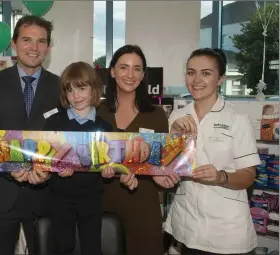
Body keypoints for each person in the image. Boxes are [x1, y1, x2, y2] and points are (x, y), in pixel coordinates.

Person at [0, 15, 60, 255]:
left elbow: (65, 142)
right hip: (0, 193)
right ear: (14, 43)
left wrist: (43, 172)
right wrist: (12, 166)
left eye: (41, 41)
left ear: (48, 47)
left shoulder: (61, 87)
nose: (34, 48)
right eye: (27, 40)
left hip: (45, 194)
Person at [163, 48, 261, 255]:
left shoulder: (237, 118)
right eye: (191, 72)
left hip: (226, 231)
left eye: (206, 73)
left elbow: (248, 177)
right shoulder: (177, 117)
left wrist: (220, 177)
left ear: (221, 79)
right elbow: (170, 167)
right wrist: (174, 135)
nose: (196, 80)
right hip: (187, 224)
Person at [97, 44, 178, 255]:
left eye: (137, 68)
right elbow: (87, 159)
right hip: (102, 204)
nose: (130, 74)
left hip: (142, 207)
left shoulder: (157, 115)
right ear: (113, 71)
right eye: (123, 67)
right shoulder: (97, 111)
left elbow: (161, 165)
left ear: (143, 75)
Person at [44, 62, 115, 255]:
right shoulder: (53, 123)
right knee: (62, 246)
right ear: (64, 94)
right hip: (60, 197)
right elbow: (44, 161)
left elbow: (107, 163)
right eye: (70, 90)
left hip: (92, 198)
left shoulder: (106, 127)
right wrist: (55, 170)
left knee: (92, 247)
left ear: (94, 89)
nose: (76, 96)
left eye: (82, 88)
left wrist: (109, 171)